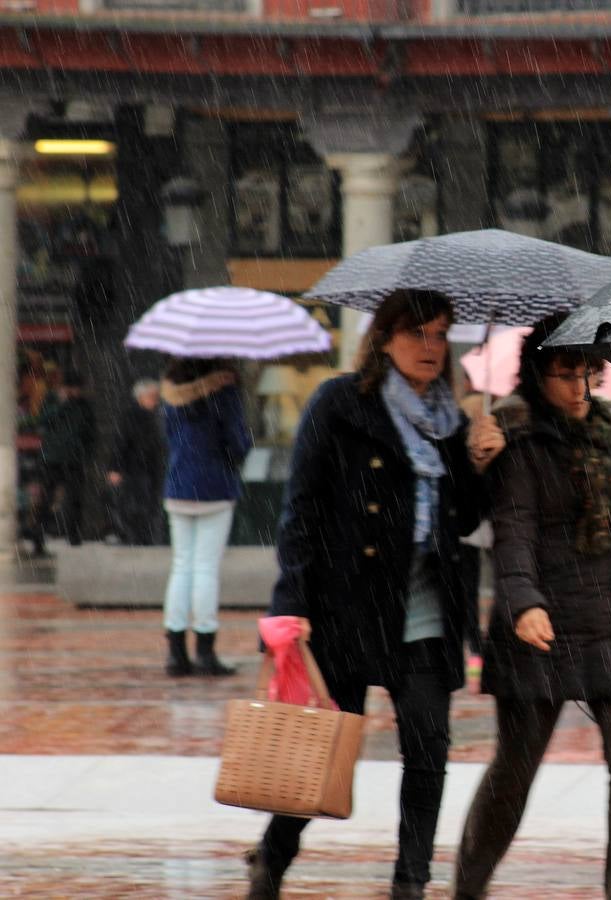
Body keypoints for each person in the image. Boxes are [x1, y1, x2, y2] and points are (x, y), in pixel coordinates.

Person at [247, 290, 505, 900]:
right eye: (417, 333)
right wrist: (291, 602)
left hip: (426, 607)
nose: (430, 347)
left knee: (428, 747)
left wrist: (481, 463)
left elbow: (466, 521)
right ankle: (273, 857)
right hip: (347, 606)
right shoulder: (340, 403)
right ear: (384, 339)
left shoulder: (453, 421)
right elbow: (302, 509)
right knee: (323, 749)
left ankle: (410, 881)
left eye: (440, 335)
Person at [455, 314, 611, 900]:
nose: (579, 388)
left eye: (588, 373)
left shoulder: (609, 432)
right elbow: (513, 530)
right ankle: (467, 887)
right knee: (514, 773)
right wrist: (523, 602)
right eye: (566, 375)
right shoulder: (517, 437)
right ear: (537, 375)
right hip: (541, 623)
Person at [160, 357, 252, 678]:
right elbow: (238, 444)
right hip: (214, 486)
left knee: (181, 565)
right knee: (205, 568)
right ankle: (205, 650)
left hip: (178, 485)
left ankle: (176, 653)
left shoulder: (171, 391)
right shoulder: (224, 391)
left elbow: (169, 437)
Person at [39, 368, 97, 546]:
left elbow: (90, 432)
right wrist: (60, 405)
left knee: (75, 498)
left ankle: (73, 534)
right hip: (53, 458)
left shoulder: (84, 406)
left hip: (74, 459)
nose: (73, 393)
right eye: (70, 389)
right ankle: (39, 533)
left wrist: (86, 454)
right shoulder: (52, 400)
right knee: (47, 497)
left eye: (76, 389)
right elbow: (43, 421)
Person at [106, 378, 167, 545]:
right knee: (134, 504)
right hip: (134, 467)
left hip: (151, 468)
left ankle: (144, 536)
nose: (155, 401)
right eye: (151, 397)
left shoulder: (156, 416)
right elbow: (121, 442)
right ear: (141, 398)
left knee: (148, 503)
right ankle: (132, 535)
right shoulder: (131, 416)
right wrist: (115, 467)